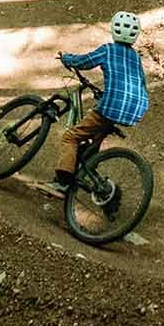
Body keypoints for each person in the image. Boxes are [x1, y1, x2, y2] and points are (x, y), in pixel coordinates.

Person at [53, 11, 148, 193]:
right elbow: (139, 84)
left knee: (71, 137)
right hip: (134, 110)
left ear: (113, 30)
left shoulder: (108, 49)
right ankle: (91, 171)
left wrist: (67, 58)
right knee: (95, 139)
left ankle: (62, 183)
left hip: (112, 107)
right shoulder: (136, 58)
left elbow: (85, 62)